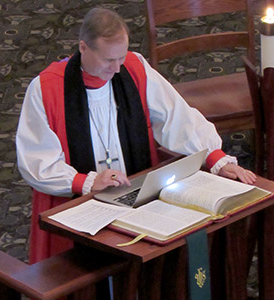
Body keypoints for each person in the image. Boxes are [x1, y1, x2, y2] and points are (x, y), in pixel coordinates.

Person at [16, 7, 256, 265]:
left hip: (135, 195)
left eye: (121, 57)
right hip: (82, 207)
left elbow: (177, 117)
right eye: (109, 60)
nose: (118, 68)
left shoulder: (133, 67)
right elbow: (37, 161)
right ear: (83, 48)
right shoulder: (46, 88)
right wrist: (86, 182)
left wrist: (216, 158)